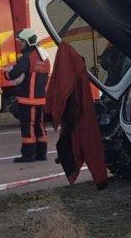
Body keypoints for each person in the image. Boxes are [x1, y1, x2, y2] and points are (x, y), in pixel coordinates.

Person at [45, 41, 109, 189]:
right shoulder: (71, 58)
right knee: (90, 145)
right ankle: (101, 180)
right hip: (80, 110)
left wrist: (51, 112)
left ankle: (100, 180)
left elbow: (60, 87)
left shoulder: (66, 56)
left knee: (83, 144)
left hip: (75, 111)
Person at [6, 28, 50, 162]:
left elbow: (14, 73)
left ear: (29, 42)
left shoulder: (27, 58)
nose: (20, 45)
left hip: (27, 99)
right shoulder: (44, 58)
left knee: (28, 127)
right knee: (39, 125)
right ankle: (41, 154)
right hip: (40, 99)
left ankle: (28, 154)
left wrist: (7, 73)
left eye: (22, 42)